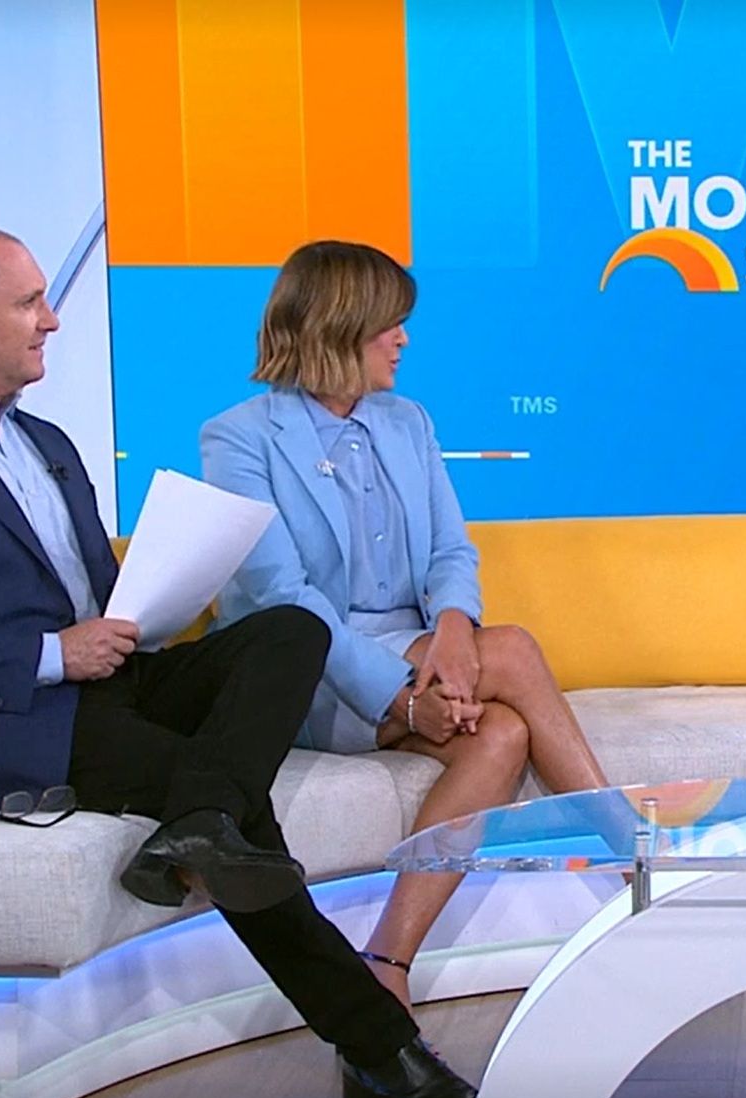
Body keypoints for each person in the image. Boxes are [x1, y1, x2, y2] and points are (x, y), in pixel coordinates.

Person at [0, 224, 474, 1098]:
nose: (52, 319)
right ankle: (382, 1050)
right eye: (29, 302)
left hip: (104, 681)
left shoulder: (42, 441)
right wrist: (53, 654)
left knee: (290, 630)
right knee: (225, 807)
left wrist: (149, 601)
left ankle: (200, 820)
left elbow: (88, 595)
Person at [200, 239, 611, 1010]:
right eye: (388, 323)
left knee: (502, 734)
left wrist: (454, 627)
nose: (403, 339)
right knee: (512, 651)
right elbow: (284, 597)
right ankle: (634, 856)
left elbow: (451, 550)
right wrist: (398, 693)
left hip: (422, 649)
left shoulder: (407, 421)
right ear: (338, 326)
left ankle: (386, 961)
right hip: (310, 667)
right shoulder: (239, 438)